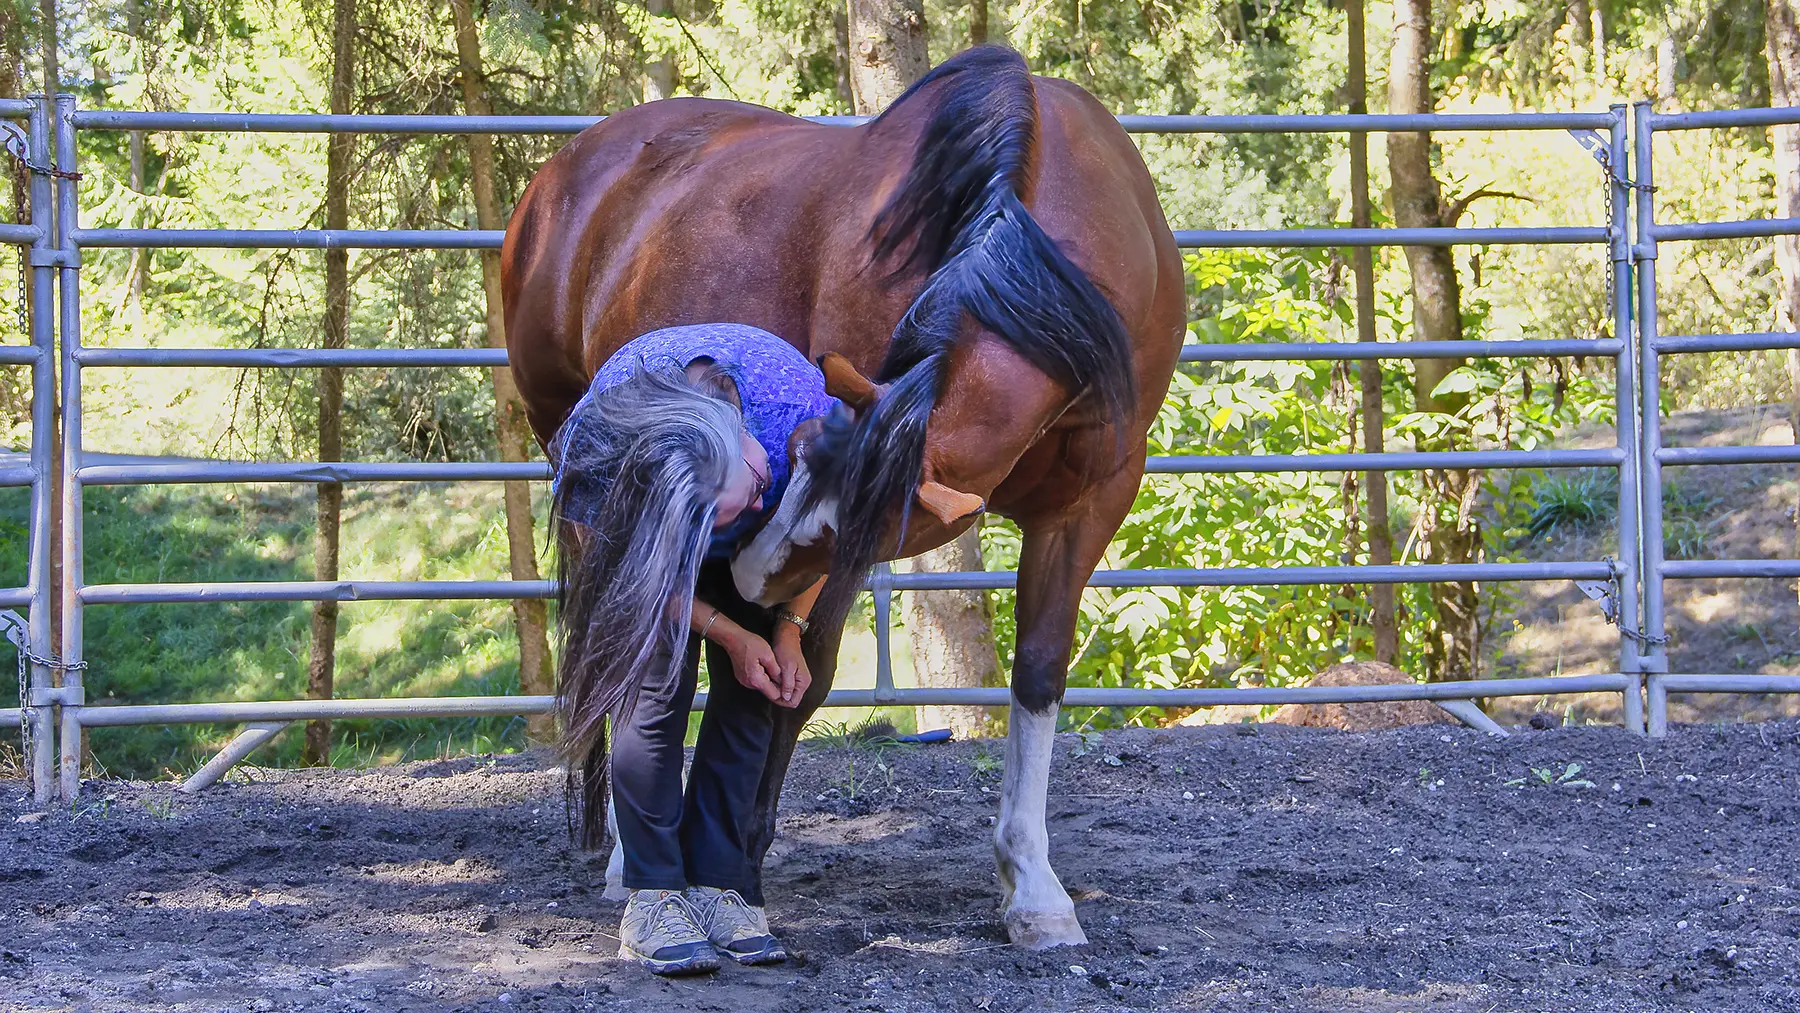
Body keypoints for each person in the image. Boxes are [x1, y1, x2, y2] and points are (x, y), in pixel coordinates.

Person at [549, 323, 835, 976]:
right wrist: (723, 629)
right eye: (730, 512)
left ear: (740, 434)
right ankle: (652, 898)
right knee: (654, 689)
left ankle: (719, 884)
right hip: (651, 543)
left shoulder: (804, 418)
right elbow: (620, 568)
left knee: (756, 689)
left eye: (754, 486)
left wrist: (786, 624)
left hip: (765, 539)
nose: (756, 499)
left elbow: (830, 529)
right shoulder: (599, 447)